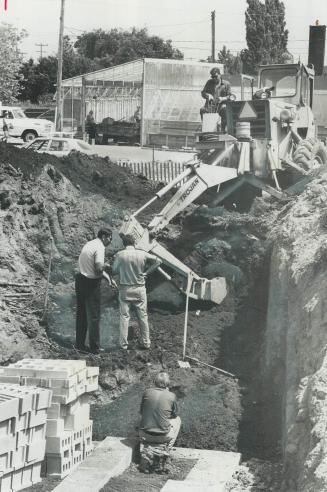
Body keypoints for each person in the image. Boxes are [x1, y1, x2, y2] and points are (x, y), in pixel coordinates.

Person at [112, 234, 162, 350]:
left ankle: (123, 344)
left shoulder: (120, 255)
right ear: (134, 243)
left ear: (124, 244)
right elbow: (159, 261)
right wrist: (146, 272)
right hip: (139, 289)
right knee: (143, 316)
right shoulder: (142, 253)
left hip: (125, 289)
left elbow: (114, 270)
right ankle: (146, 343)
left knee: (124, 317)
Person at [75, 227, 113, 354]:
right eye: (109, 238)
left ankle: (79, 344)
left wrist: (107, 277)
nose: (110, 240)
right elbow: (98, 268)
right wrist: (107, 265)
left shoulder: (89, 244)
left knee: (82, 315)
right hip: (91, 284)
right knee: (94, 316)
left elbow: (90, 266)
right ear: (104, 237)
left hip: (80, 280)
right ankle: (94, 347)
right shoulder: (100, 247)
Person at [139, 372, 181, 450]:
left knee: (143, 418)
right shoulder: (171, 395)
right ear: (168, 383)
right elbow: (175, 414)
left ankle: (145, 443)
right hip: (164, 436)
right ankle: (168, 448)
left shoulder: (147, 392)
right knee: (178, 420)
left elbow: (141, 412)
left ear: (155, 382)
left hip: (144, 435)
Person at [200, 67, 232, 131]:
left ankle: (223, 130)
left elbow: (230, 96)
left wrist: (223, 98)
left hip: (221, 105)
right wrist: (207, 95)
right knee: (202, 110)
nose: (214, 78)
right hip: (210, 105)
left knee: (225, 110)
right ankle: (207, 129)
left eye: (216, 76)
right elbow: (203, 93)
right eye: (212, 77)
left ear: (220, 75)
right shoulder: (209, 82)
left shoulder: (226, 84)